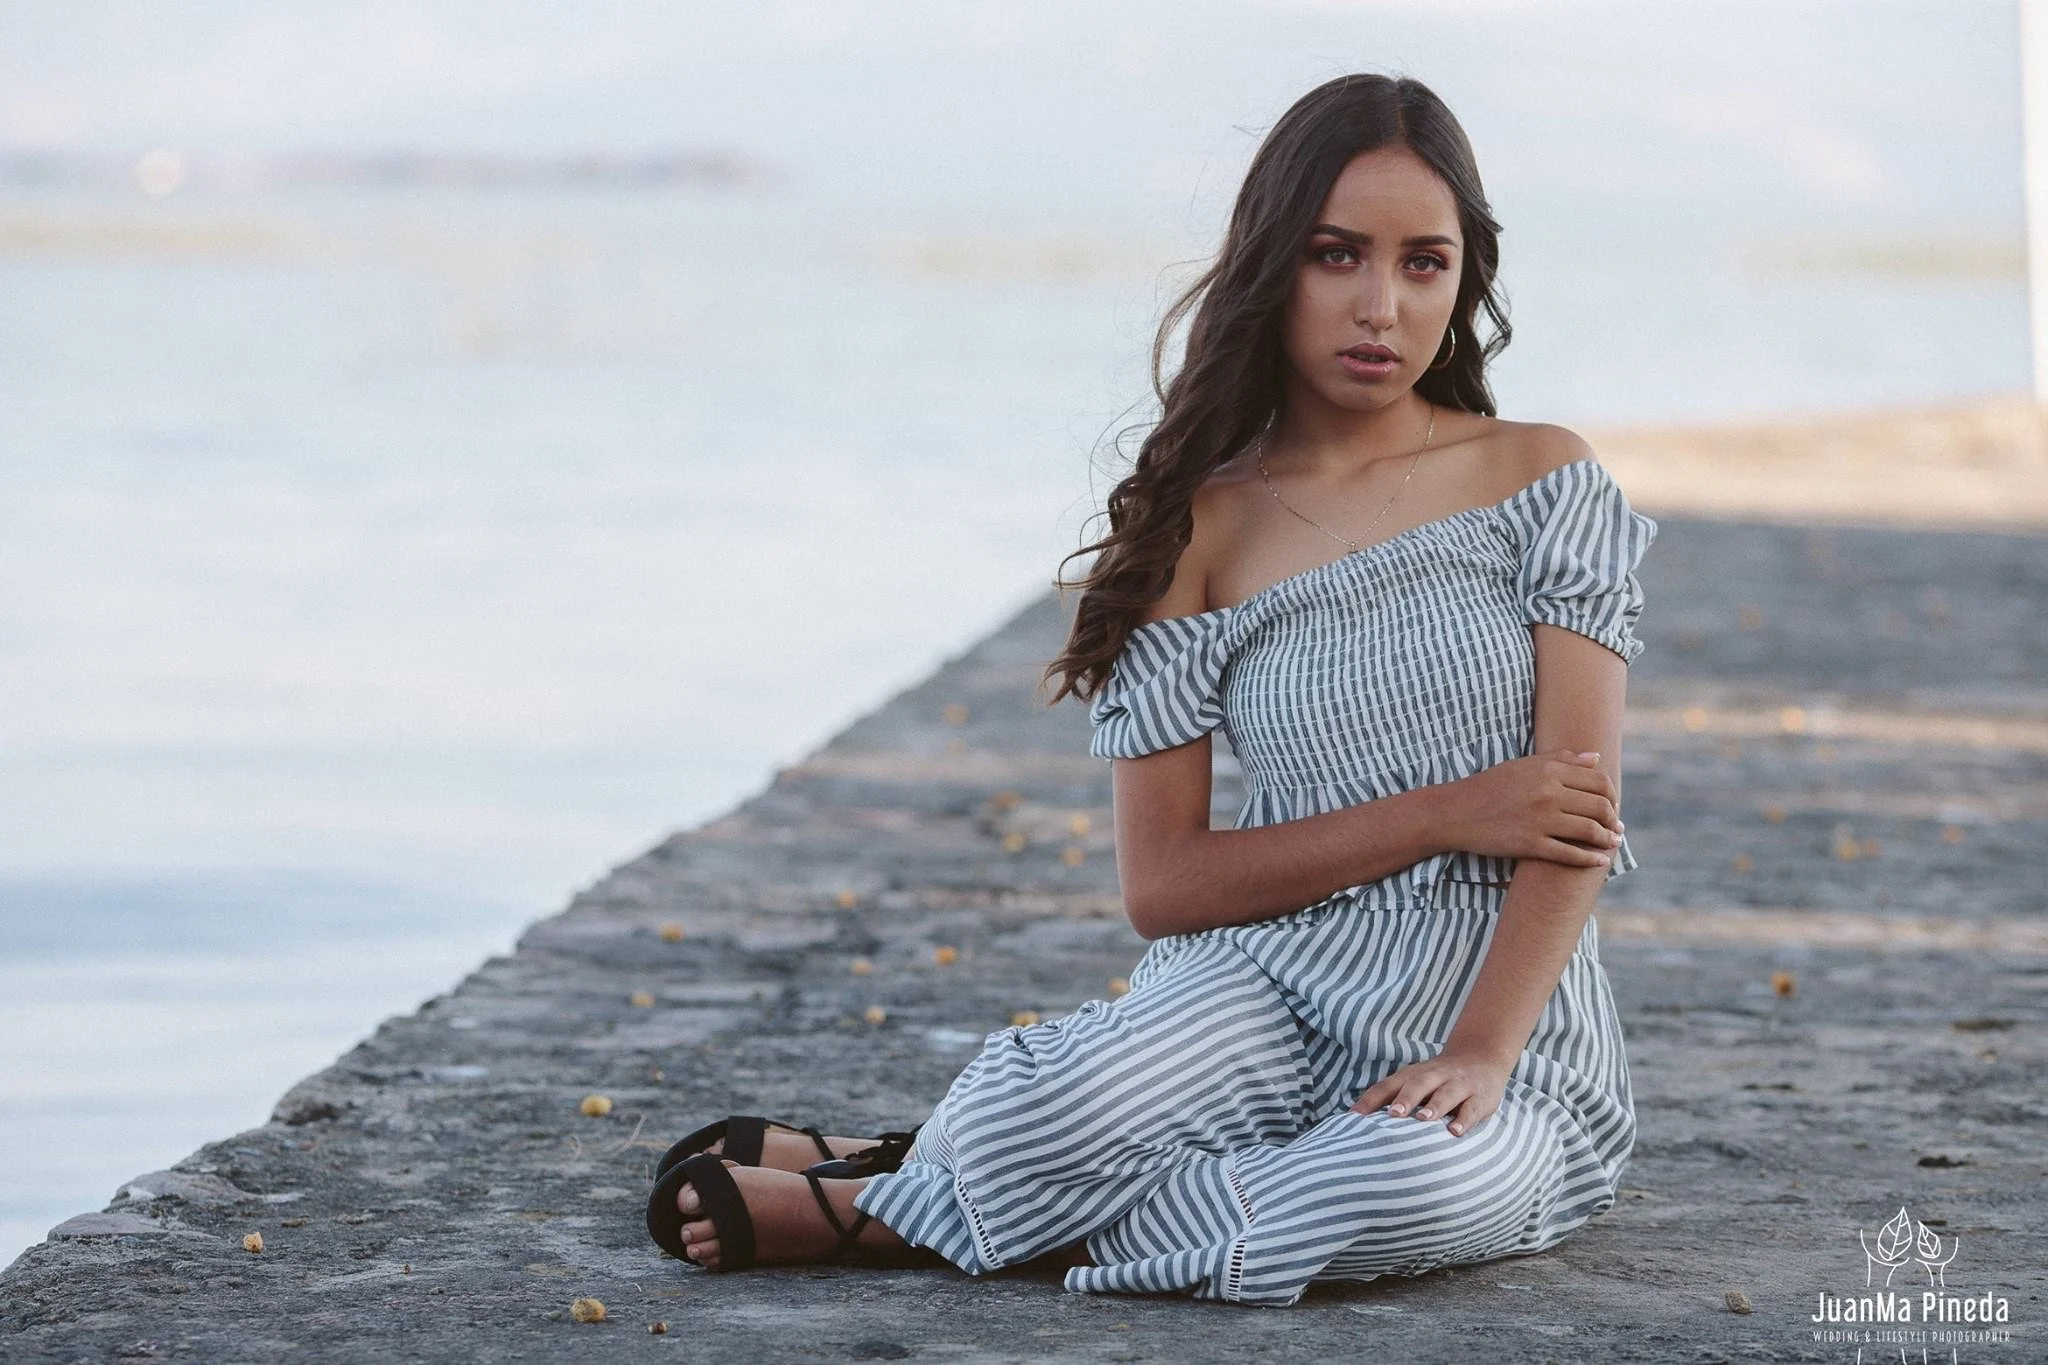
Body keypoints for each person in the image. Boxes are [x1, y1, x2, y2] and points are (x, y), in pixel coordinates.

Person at [645, 70, 1656, 1307]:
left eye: (1422, 264)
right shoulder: (1201, 530)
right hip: (1263, 995)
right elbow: (1165, 886)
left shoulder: (1539, 481)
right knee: (1050, 1108)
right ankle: (976, 1171)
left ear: (1463, 279)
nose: (1379, 306)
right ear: (1273, 262)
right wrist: (1450, 811)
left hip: (1502, 1024)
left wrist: (1482, 1051)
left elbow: (1572, 820)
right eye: (1335, 255)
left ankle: (890, 1207)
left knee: (1389, 1185)